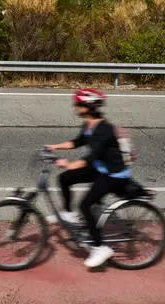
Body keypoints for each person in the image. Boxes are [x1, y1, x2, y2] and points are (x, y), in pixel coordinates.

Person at [44, 88, 133, 268]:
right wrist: (54, 147)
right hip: (100, 167)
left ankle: (100, 248)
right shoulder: (89, 125)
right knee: (64, 179)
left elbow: (90, 158)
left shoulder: (104, 130)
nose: (75, 107)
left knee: (85, 205)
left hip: (113, 174)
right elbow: (76, 142)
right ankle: (69, 214)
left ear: (88, 107)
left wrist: (70, 164)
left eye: (78, 104)